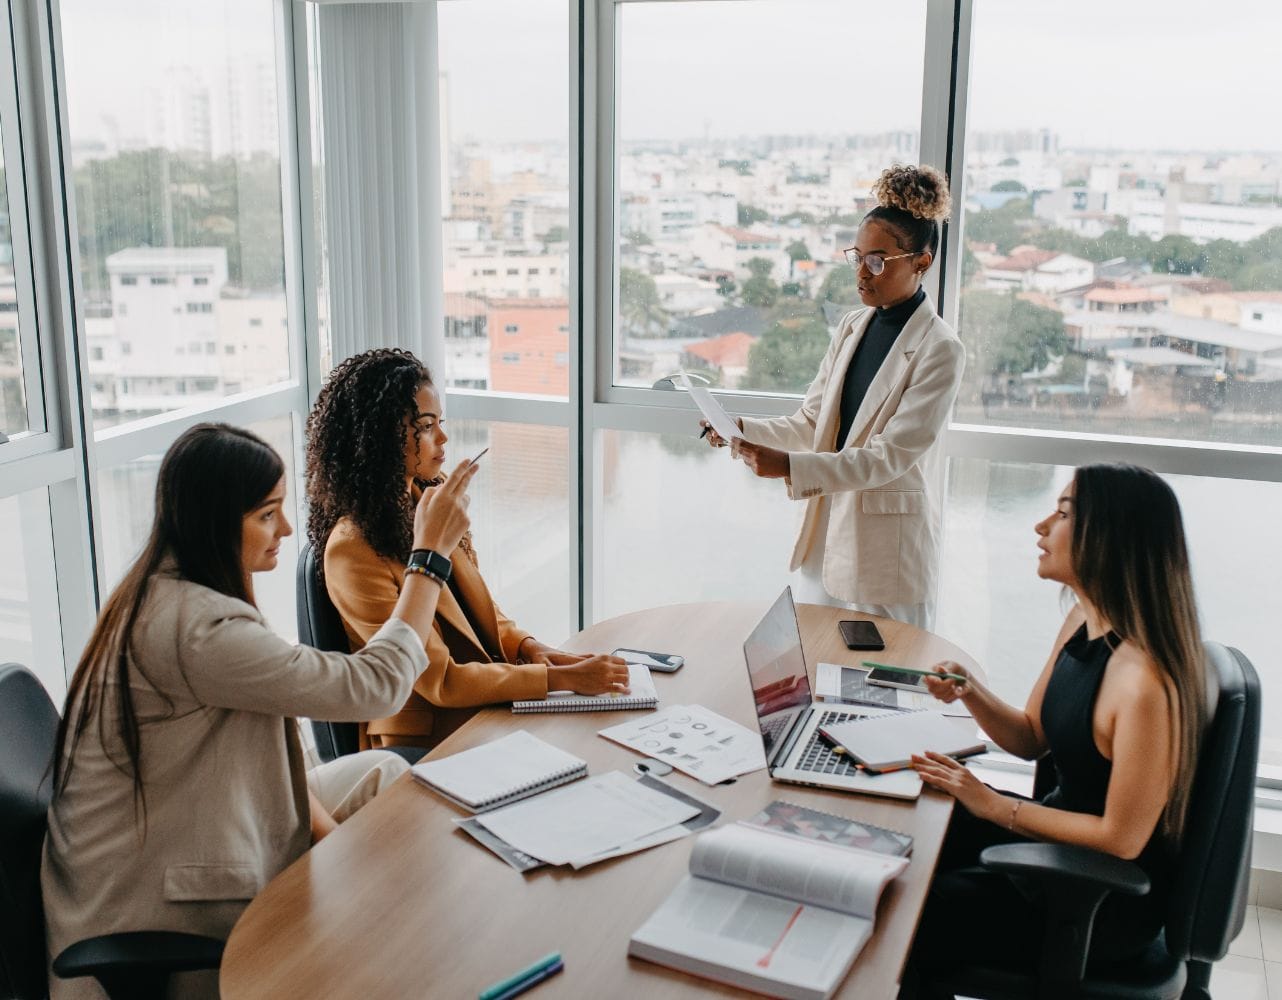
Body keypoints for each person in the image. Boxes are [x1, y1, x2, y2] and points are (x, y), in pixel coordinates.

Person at [42, 423, 475, 1000]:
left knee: (387, 773)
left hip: (189, 826)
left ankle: (400, 931)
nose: (288, 529)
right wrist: (427, 560)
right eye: (267, 515)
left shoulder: (178, 589)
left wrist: (336, 839)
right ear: (217, 521)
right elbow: (378, 686)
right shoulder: (195, 630)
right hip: (149, 908)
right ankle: (397, 953)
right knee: (384, 823)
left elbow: (278, 747)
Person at [901, 463, 1207, 993]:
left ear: (1108, 538)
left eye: (1062, 514)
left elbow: (1123, 839)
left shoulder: (1144, 684)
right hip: (1052, 841)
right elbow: (1028, 737)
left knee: (907, 913)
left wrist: (995, 806)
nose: (1041, 526)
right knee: (914, 826)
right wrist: (969, 689)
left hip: (1094, 901)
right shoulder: (1082, 621)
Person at [305, 347, 628, 751]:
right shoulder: (351, 551)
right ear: (376, 437)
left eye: (440, 422)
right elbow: (441, 682)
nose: (442, 437)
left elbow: (481, 612)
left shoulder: (427, 500)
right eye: (424, 426)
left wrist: (531, 648)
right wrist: (558, 680)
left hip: (477, 710)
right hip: (422, 743)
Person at [705, 164, 964, 629]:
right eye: (857, 257)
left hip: (888, 557)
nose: (862, 273)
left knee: (886, 687)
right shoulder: (852, 325)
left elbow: (887, 458)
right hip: (826, 540)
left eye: (878, 261)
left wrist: (787, 465)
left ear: (921, 262)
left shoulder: (940, 348)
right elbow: (811, 422)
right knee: (814, 669)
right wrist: (740, 429)